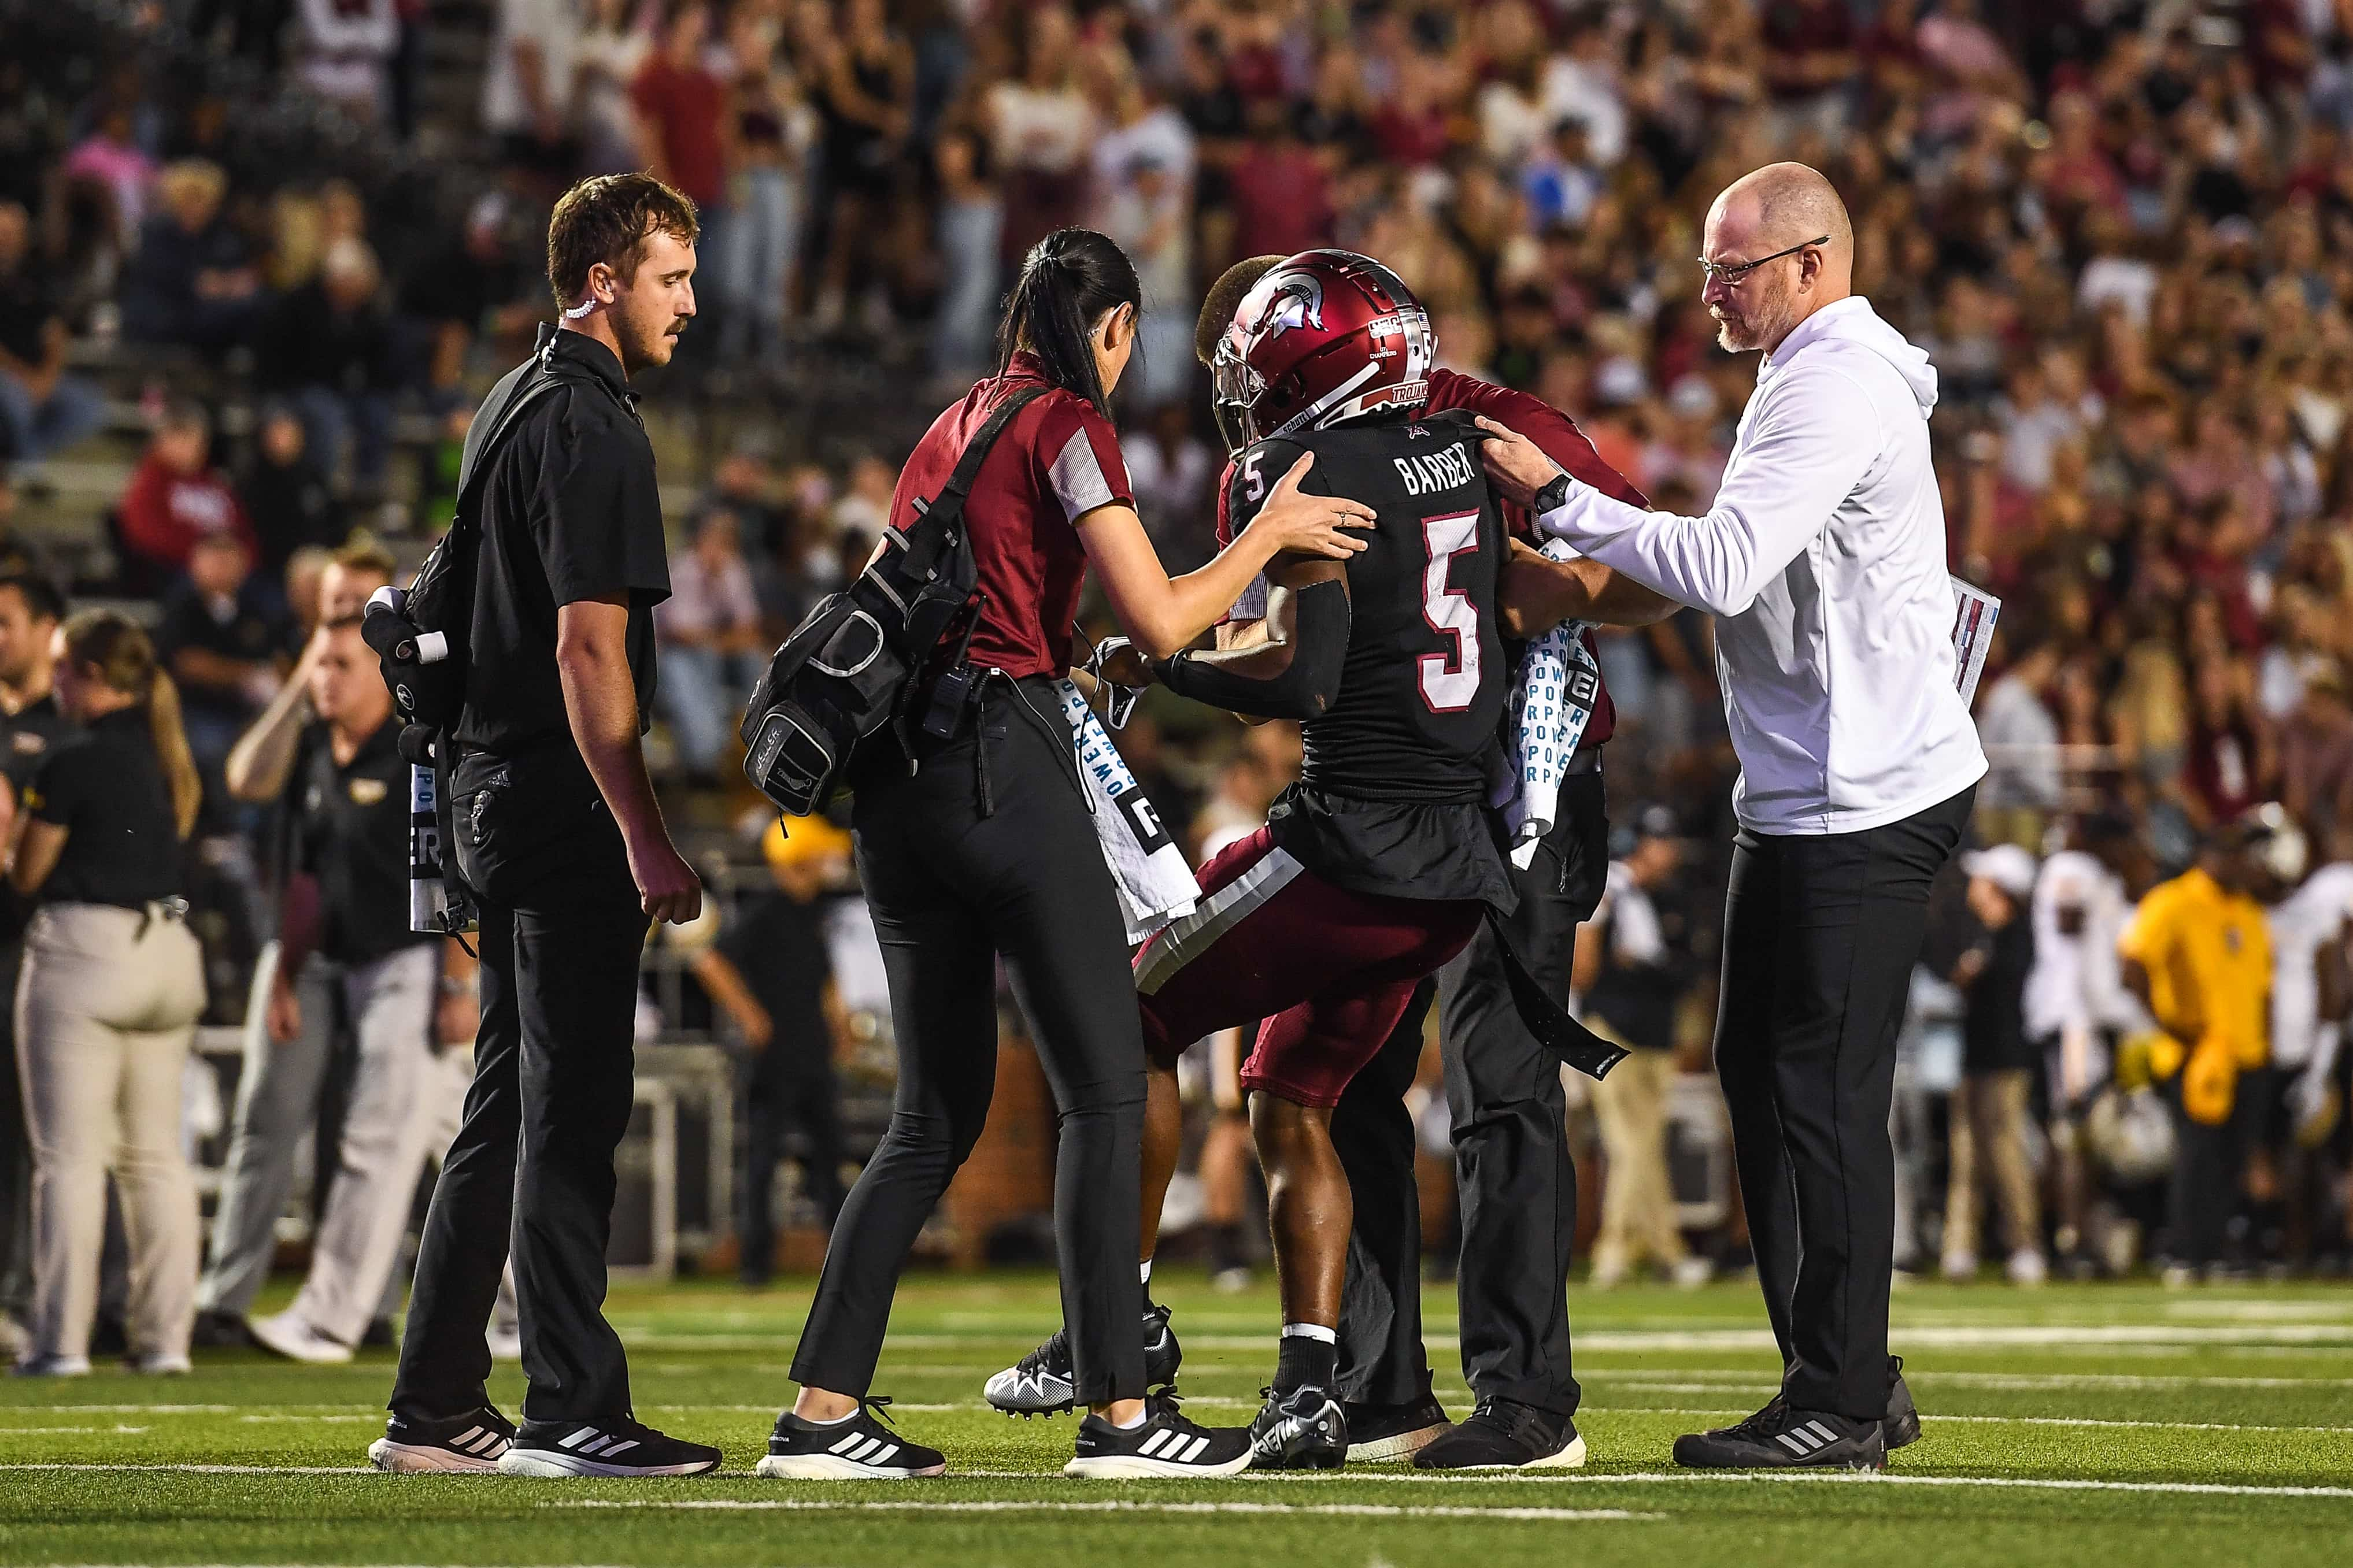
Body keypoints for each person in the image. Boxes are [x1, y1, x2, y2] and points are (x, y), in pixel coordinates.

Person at [986, 253, 1672, 1475]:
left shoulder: (1467, 432)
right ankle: (1360, 1384)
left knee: (1495, 1088)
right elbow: (1294, 634)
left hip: (1500, 791)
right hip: (1434, 814)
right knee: (1331, 1087)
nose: (1235, 402)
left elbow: (1648, 574)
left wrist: (1543, 585)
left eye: (1249, 371)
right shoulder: (1411, 452)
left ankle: (1521, 1399)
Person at [756, 228, 1372, 1484]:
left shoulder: (955, 418)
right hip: (999, 753)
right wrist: (1269, 538)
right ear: (1111, 331)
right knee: (1105, 1081)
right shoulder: (1068, 427)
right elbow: (1159, 612)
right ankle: (1123, 1421)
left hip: (894, 786)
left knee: (929, 1116)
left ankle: (820, 1416)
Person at [1481, 162, 1984, 1470]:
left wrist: (1558, 497)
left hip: (1860, 800)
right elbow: (1738, 568)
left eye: (1733, 268)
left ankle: (1838, 1397)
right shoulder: (1814, 371)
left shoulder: (1829, 380)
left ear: (1811, 262)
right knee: (1766, 1082)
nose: (1710, 290)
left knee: (1817, 1091)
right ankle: (1845, 1370)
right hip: (1812, 795)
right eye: (1708, 267)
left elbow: (1719, 562)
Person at [368, 173, 717, 1479]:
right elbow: (587, 646)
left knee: (506, 1101)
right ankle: (571, 1404)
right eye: (672, 277)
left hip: (486, 789)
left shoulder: (509, 401)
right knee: (571, 1108)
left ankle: (436, 1405)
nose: (693, 302)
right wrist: (644, 828)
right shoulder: (595, 425)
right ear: (602, 282)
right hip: (563, 801)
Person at [223, 618, 472, 1365]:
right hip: (354, 963)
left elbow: (461, 867)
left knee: (376, 1140)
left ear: (380, 676)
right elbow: (304, 877)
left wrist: (461, 981)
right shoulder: (313, 753)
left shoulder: (422, 749)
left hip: (422, 961)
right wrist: (289, 973)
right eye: (316, 664)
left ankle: (331, 1316)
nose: (320, 679)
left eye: (337, 665)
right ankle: (532, 1304)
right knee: (467, 1148)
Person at [192, 543, 398, 1350]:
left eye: (357, 605)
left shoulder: (414, 708)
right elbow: (246, 779)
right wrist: (306, 677)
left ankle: (368, 1300)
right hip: (307, 950)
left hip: (391, 953)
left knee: (375, 1135)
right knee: (267, 1117)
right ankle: (225, 1300)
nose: (342, 617)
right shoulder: (316, 707)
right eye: (333, 604)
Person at [6, 611, 205, 1375]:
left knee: (70, 1160)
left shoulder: (71, 759)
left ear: (86, 674)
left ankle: (59, 1343)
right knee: (157, 1159)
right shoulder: (168, 759)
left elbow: (26, 875)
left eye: (61, 667)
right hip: (168, 955)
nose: (52, 681)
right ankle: (166, 1343)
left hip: (87, 955)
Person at [693, 815, 851, 1284]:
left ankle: (846, 1262)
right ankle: (756, 1265)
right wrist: (751, 1017)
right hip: (776, 1057)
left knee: (830, 1159)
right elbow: (711, 960)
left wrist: (839, 1030)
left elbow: (824, 982)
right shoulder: (765, 911)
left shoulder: (813, 911)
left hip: (812, 1052)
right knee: (764, 1158)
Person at [2119, 818, 2274, 1282]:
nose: (2242, 862)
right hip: (2194, 1055)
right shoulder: (2174, 901)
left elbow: (2262, 987)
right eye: (2233, 851)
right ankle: (2187, 1249)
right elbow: (2132, 965)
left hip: (2247, 1055)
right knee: (2197, 1155)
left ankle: (2216, 1247)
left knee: (2233, 1158)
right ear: (2207, 852)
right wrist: (2173, 1026)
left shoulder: (2248, 911)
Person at [1580, 805, 1706, 1289]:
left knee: (1641, 1144)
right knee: (1630, 1142)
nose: (1667, 852)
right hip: (1611, 1028)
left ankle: (1660, 1250)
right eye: (1660, 841)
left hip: (1657, 1035)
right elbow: (1586, 966)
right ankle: (1614, 1250)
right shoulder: (1610, 888)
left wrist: (1645, 967)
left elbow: (1687, 970)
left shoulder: (1671, 899)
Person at [0, 571, 69, 1355]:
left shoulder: (69, 725)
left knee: (36, 1133)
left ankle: (26, 1297)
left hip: (40, 941)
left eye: (8, 621)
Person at [1943, 843, 2046, 1286]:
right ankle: (1959, 1246)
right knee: (1965, 1157)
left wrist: (1976, 974)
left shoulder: (2019, 938)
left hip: (2006, 1063)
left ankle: (2025, 1245)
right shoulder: (1982, 935)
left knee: (2007, 1157)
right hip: (1973, 1060)